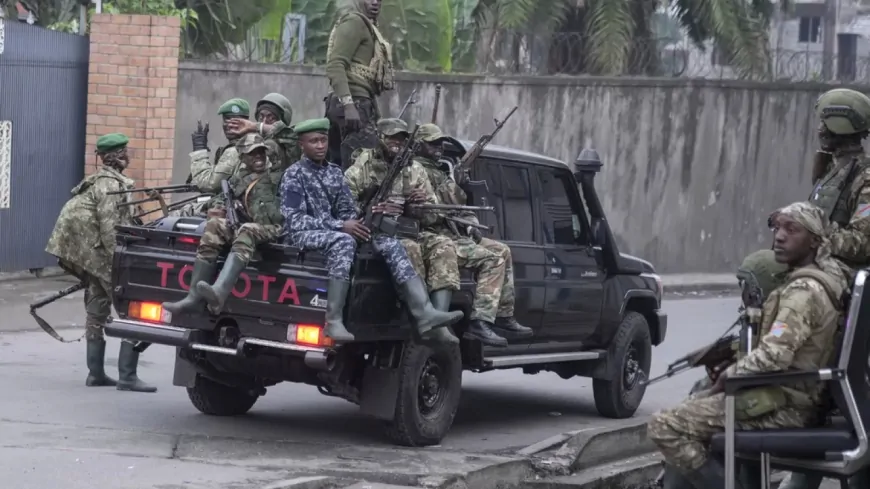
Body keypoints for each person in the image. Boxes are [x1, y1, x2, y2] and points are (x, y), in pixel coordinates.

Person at [647, 202, 848, 489]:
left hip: (783, 407)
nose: (779, 236)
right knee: (691, 407)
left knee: (664, 426)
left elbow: (774, 355)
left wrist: (732, 375)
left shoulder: (804, 292)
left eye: (792, 229)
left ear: (815, 241)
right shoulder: (818, 282)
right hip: (786, 398)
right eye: (777, 228)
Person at [279, 118, 463, 344]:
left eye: (323, 140)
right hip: (303, 233)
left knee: (388, 240)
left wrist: (363, 218)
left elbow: (347, 209)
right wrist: (341, 226)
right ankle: (333, 320)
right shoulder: (294, 174)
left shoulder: (335, 173)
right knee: (344, 242)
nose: (320, 146)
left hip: (335, 231)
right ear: (302, 145)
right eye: (313, 141)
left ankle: (424, 312)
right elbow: (294, 220)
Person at [777, 88, 870, 489]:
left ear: (838, 123)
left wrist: (814, 235)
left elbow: (864, 241)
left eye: (824, 122)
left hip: (844, 280)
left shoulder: (865, 176)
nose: (818, 130)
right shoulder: (831, 169)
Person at [658, 249, 789, 489]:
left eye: (748, 286)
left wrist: (732, 373)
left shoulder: (785, 316)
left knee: (674, 425)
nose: (744, 293)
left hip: (779, 400)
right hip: (767, 395)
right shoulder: (769, 313)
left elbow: (772, 357)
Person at [44, 133, 156, 393]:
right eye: (125, 151)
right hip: (104, 257)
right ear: (116, 156)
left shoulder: (101, 181)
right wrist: (118, 265)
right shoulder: (109, 186)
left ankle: (96, 374)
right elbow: (110, 230)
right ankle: (127, 376)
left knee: (97, 310)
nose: (128, 155)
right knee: (132, 309)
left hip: (92, 257)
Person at [413, 123, 534, 347]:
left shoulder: (441, 171)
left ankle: (504, 315)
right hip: (431, 235)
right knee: (493, 259)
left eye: (440, 144)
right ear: (419, 145)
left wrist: (471, 226)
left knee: (502, 250)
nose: (438, 148)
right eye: (433, 144)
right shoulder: (414, 170)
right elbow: (429, 213)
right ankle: (479, 322)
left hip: (454, 233)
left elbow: (460, 209)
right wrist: (453, 186)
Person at [345, 118, 461, 344]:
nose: (396, 143)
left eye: (401, 138)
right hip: (378, 232)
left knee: (444, 246)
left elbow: (433, 215)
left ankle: (438, 322)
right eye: (392, 138)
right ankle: (420, 316)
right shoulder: (363, 165)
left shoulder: (415, 169)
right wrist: (366, 208)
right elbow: (343, 203)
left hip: (409, 228)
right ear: (381, 138)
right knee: (409, 249)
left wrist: (419, 205)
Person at [163, 133, 284, 316]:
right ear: (243, 157)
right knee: (214, 225)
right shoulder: (240, 178)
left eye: (261, 152)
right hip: (247, 227)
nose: (258, 156)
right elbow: (218, 199)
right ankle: (193, 297)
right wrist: (217, 208)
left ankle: (219, 291)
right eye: (253, 153)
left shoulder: (276, 175)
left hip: (272, 228)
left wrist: (258, 127)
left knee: (247, 230)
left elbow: (290, 143)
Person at [324, 0, 395, 169]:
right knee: (363, 170)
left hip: (359, 103)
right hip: (351, 105)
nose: (375, 2)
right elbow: (335, 65)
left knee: (344, 169)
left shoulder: (367, 26)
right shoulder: (354, 22)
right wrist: (348, 105)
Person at [227, 93, 301, 173]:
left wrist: (257, 126)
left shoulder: (289, 142)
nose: (264, 121)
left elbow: (289, 134)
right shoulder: (253, 140)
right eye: (261, 117)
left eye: (271, 118)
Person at [189, 98, 250, 193]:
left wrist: (199, 151)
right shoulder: (248, 143)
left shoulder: (235, 151)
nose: (230, 125)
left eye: (235, 121)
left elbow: (207, 184)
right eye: (226, 120)